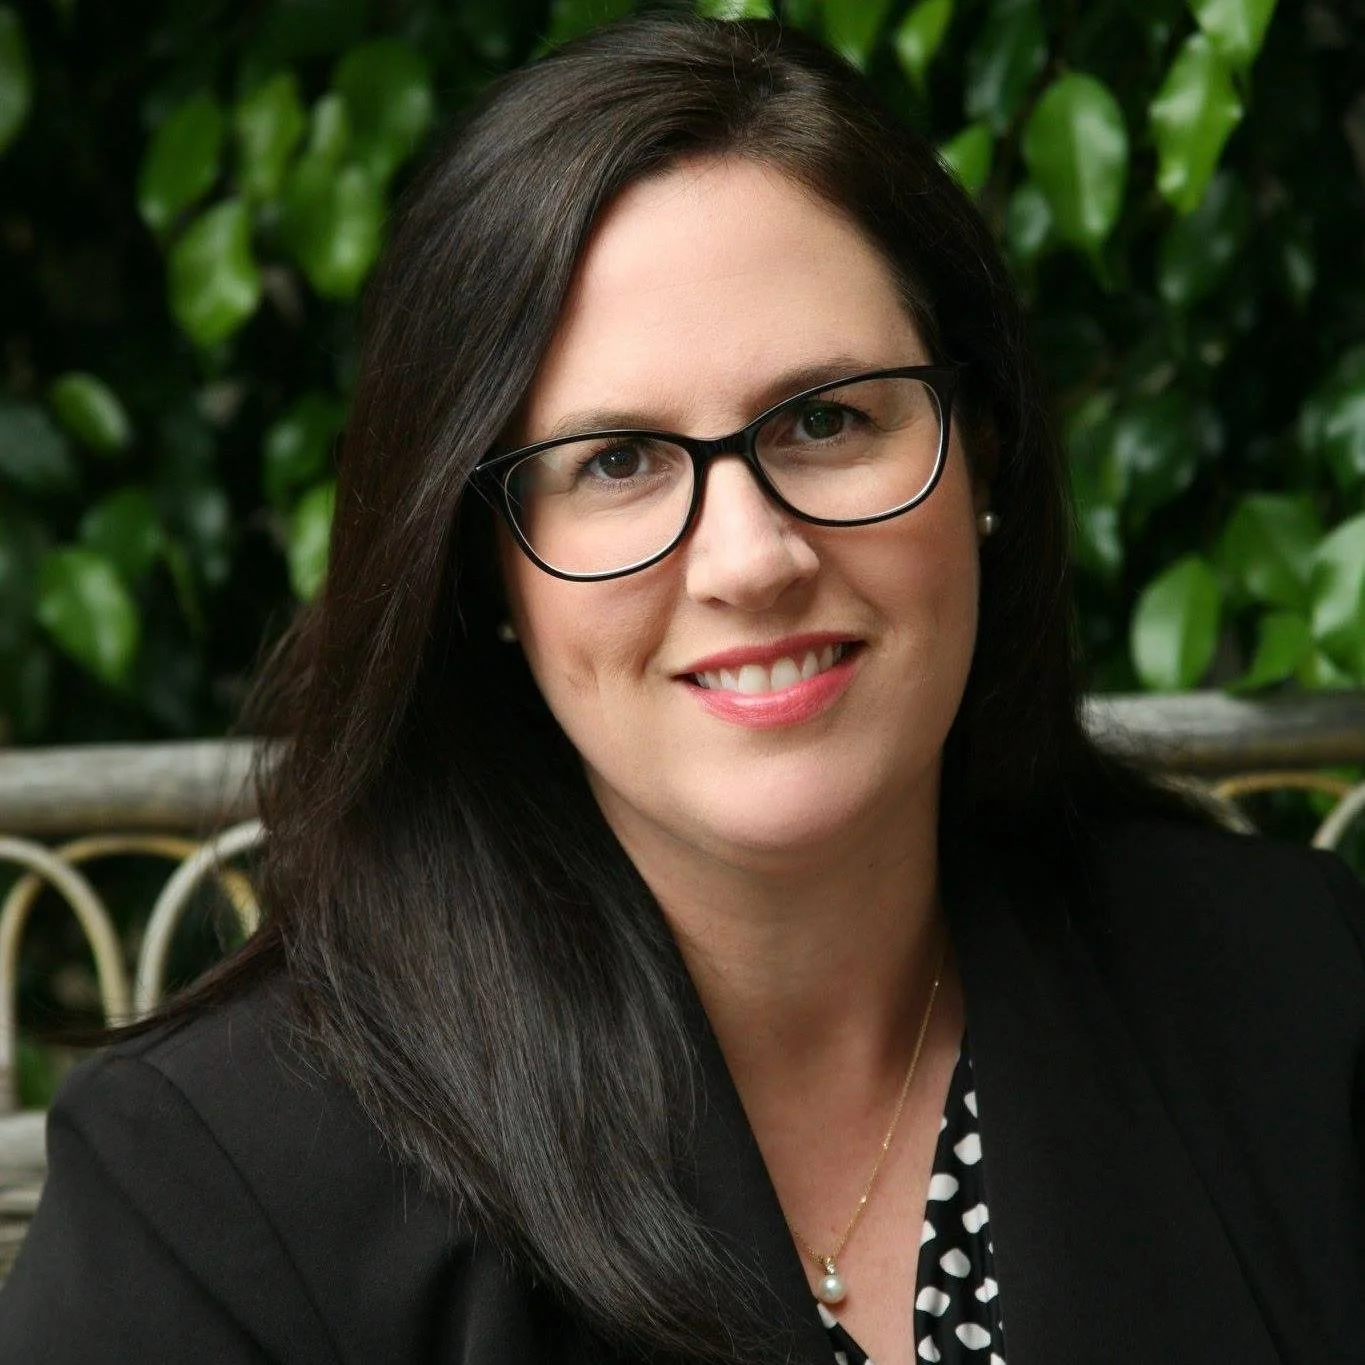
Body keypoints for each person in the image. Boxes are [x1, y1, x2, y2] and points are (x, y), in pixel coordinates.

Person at [2, 13, 1363, 1365]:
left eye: (827, 419)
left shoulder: (1304, 992)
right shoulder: (215, 1197)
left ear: (983, 456)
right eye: (617, 463)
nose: (752, 560)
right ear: (484, 574)